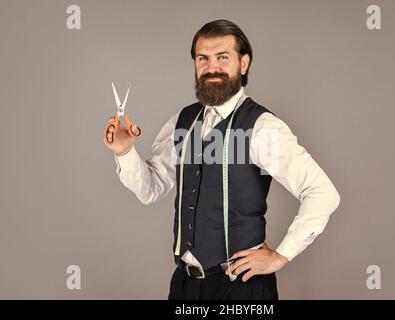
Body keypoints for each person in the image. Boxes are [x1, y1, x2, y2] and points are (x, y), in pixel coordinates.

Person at [103, 19, 340, 300]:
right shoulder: (183, 121)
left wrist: (281, 256)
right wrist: (124, 151)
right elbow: (151, 189)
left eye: (222, 57)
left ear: (243, 64)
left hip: (241, 288)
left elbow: (323, 193)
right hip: (185, 286)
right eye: (203, 58)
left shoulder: (262, 127)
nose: (211, 67)